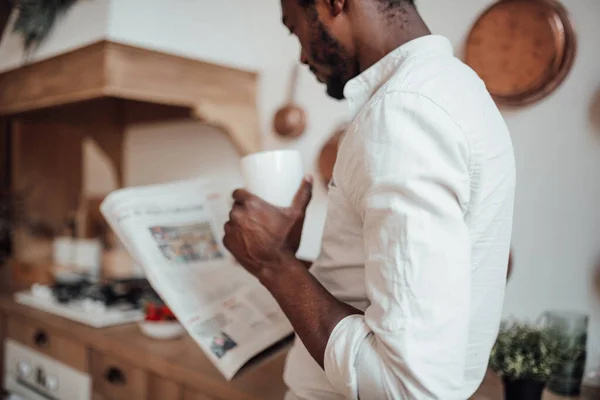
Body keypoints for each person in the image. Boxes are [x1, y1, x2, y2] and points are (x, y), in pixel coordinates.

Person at [223, 0, 515, 399]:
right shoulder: (456, 89)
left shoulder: (403, 113)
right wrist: (284, 257)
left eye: (296, 30)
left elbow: (410, 388)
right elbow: (381, 291)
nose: (303, 55)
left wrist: (274, 263)